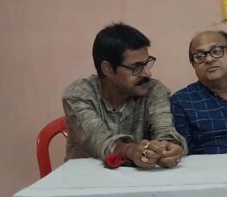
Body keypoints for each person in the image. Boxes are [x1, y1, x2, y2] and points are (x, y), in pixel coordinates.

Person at [62, 23, 186, 169]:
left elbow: (165, 130)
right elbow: (99, 141)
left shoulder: (154, 90)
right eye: (136, 67)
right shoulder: (79, 95)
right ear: (108, 69)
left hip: (139, 178)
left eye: (147, 63)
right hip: (86, 177)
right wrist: (129, 151)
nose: (147, 73)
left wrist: (169, 148)